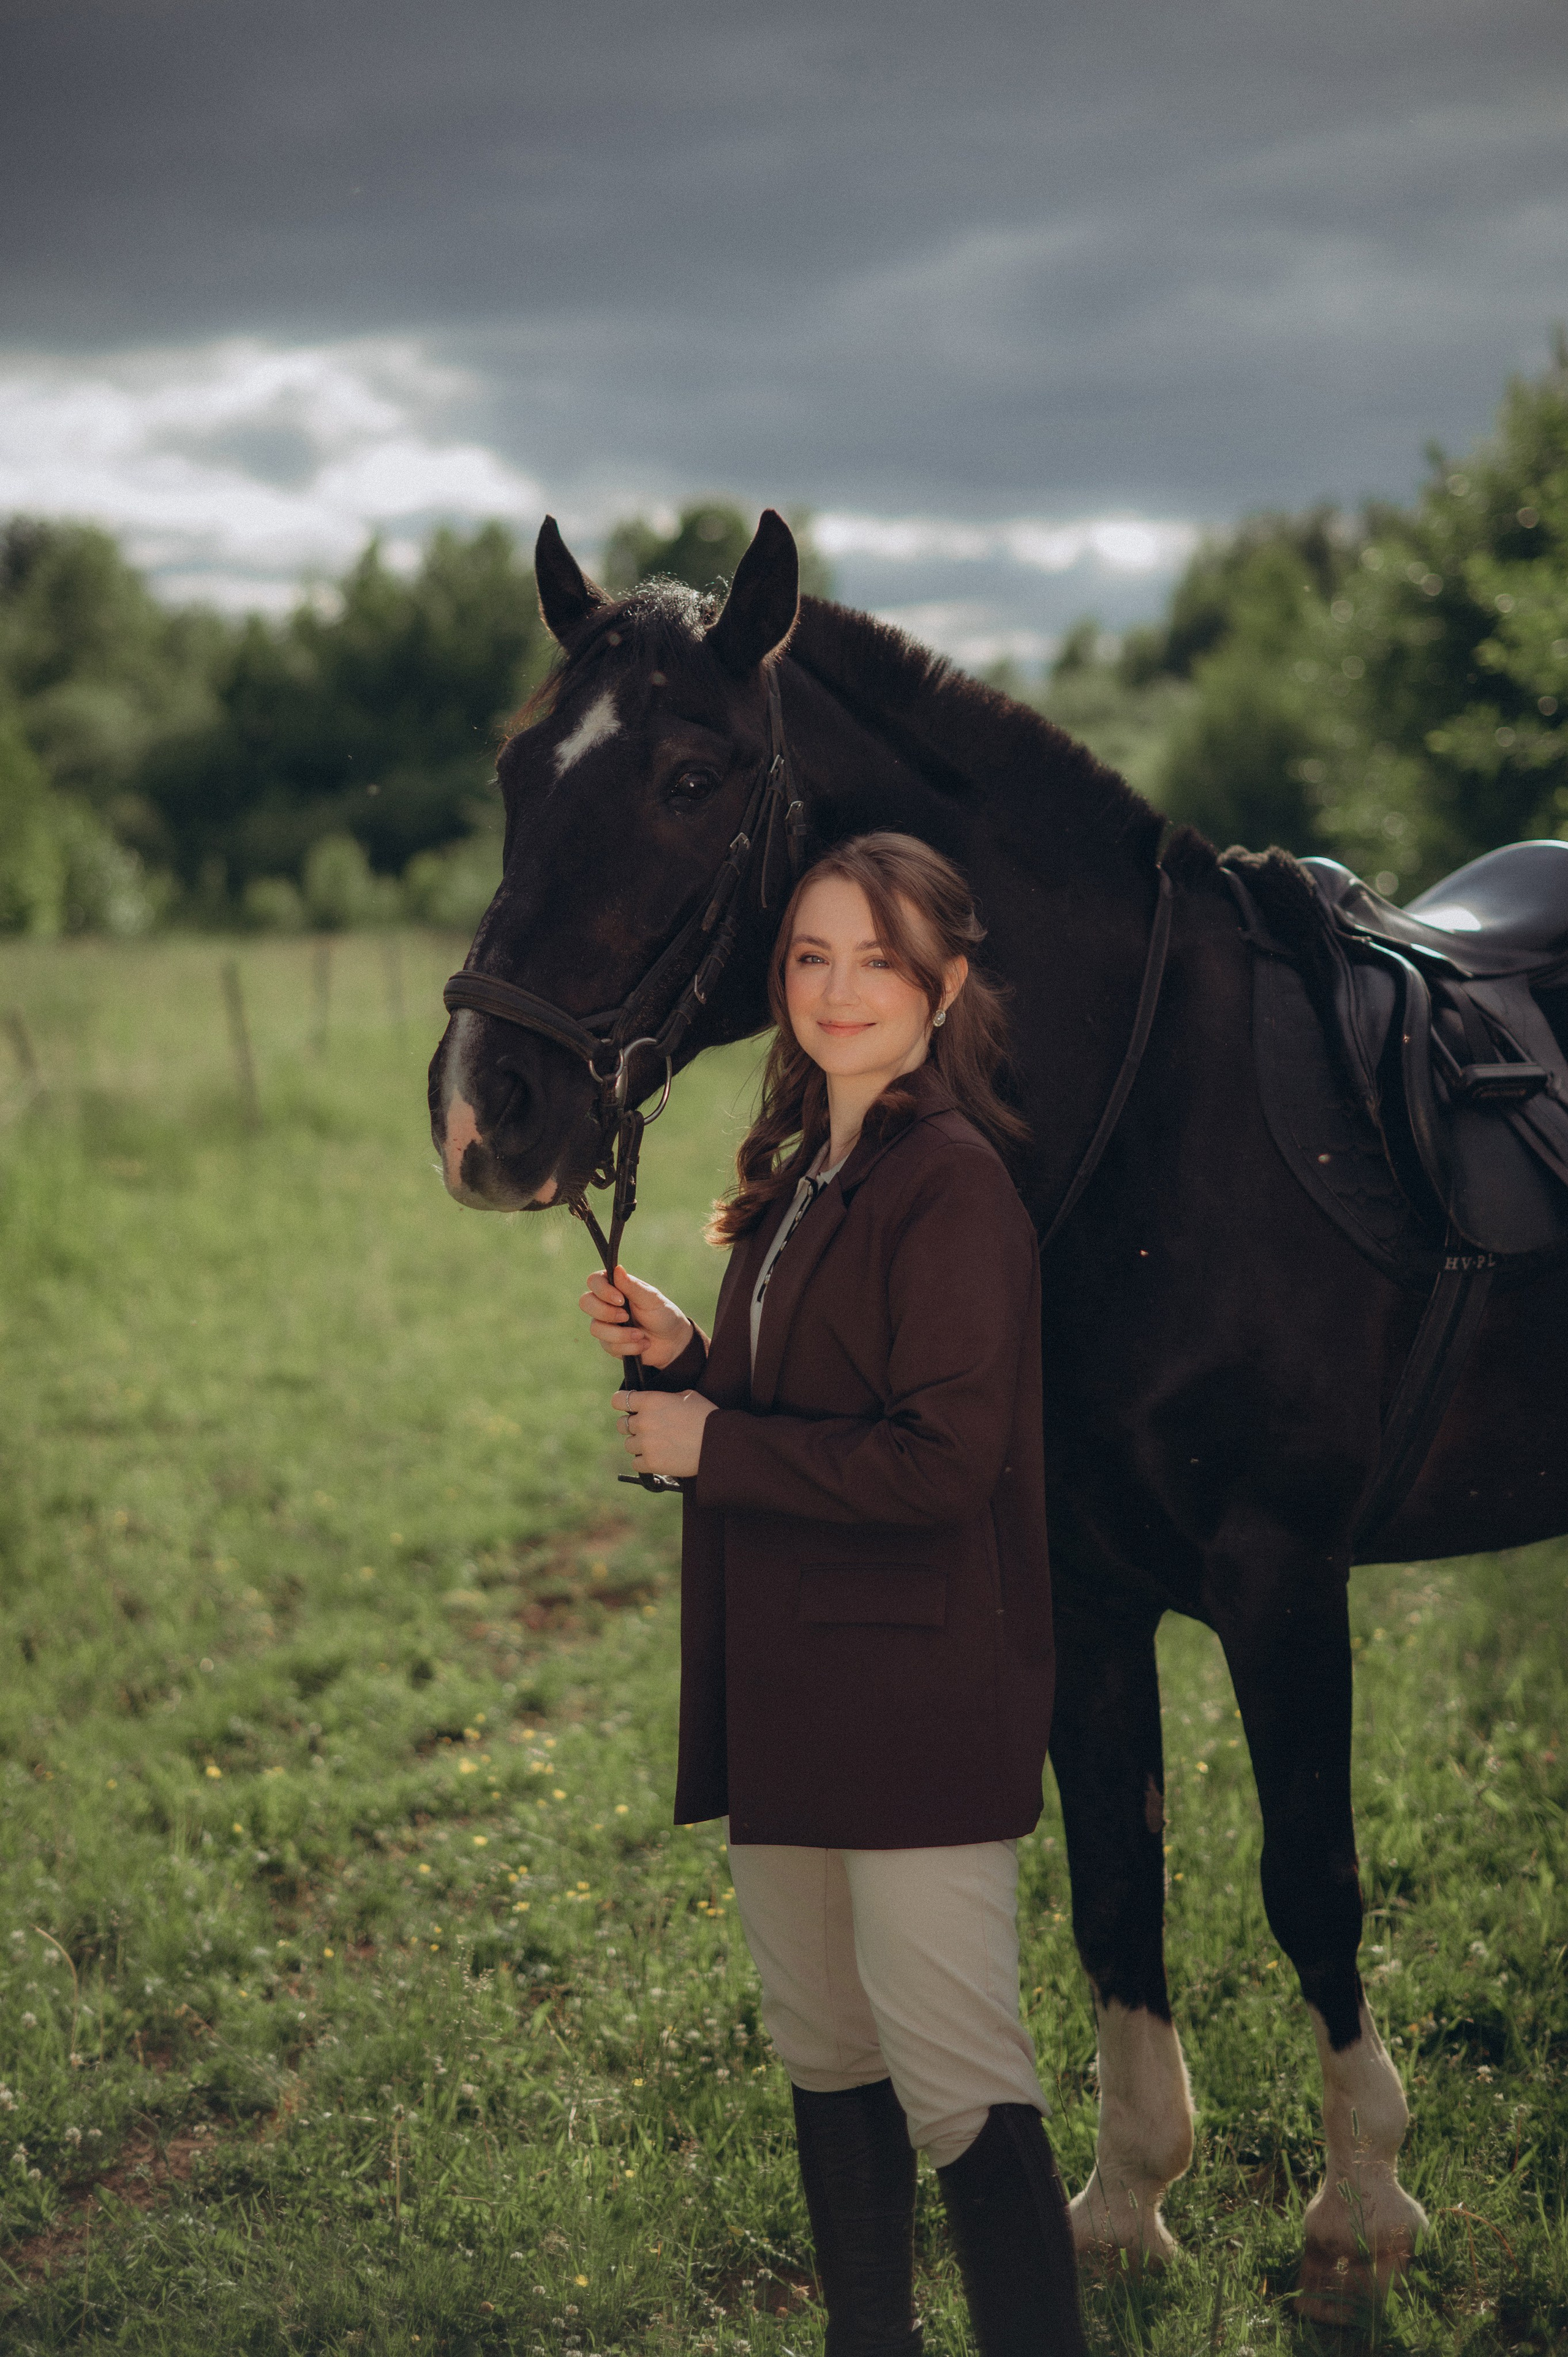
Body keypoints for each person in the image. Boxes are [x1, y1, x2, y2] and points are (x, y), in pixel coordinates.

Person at [577, 831, 1085, 2357]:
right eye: (810, 953)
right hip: (792, 1687)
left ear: (944, 985)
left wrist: (711, 1443)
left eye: (876, 956)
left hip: (916, 1704)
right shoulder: (810, 1172)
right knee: (826, 2053)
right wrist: (690, 1361)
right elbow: (821, 1404)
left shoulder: (954, 1188)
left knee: (956, 2077)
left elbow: (937, 1466)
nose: (838, 986)